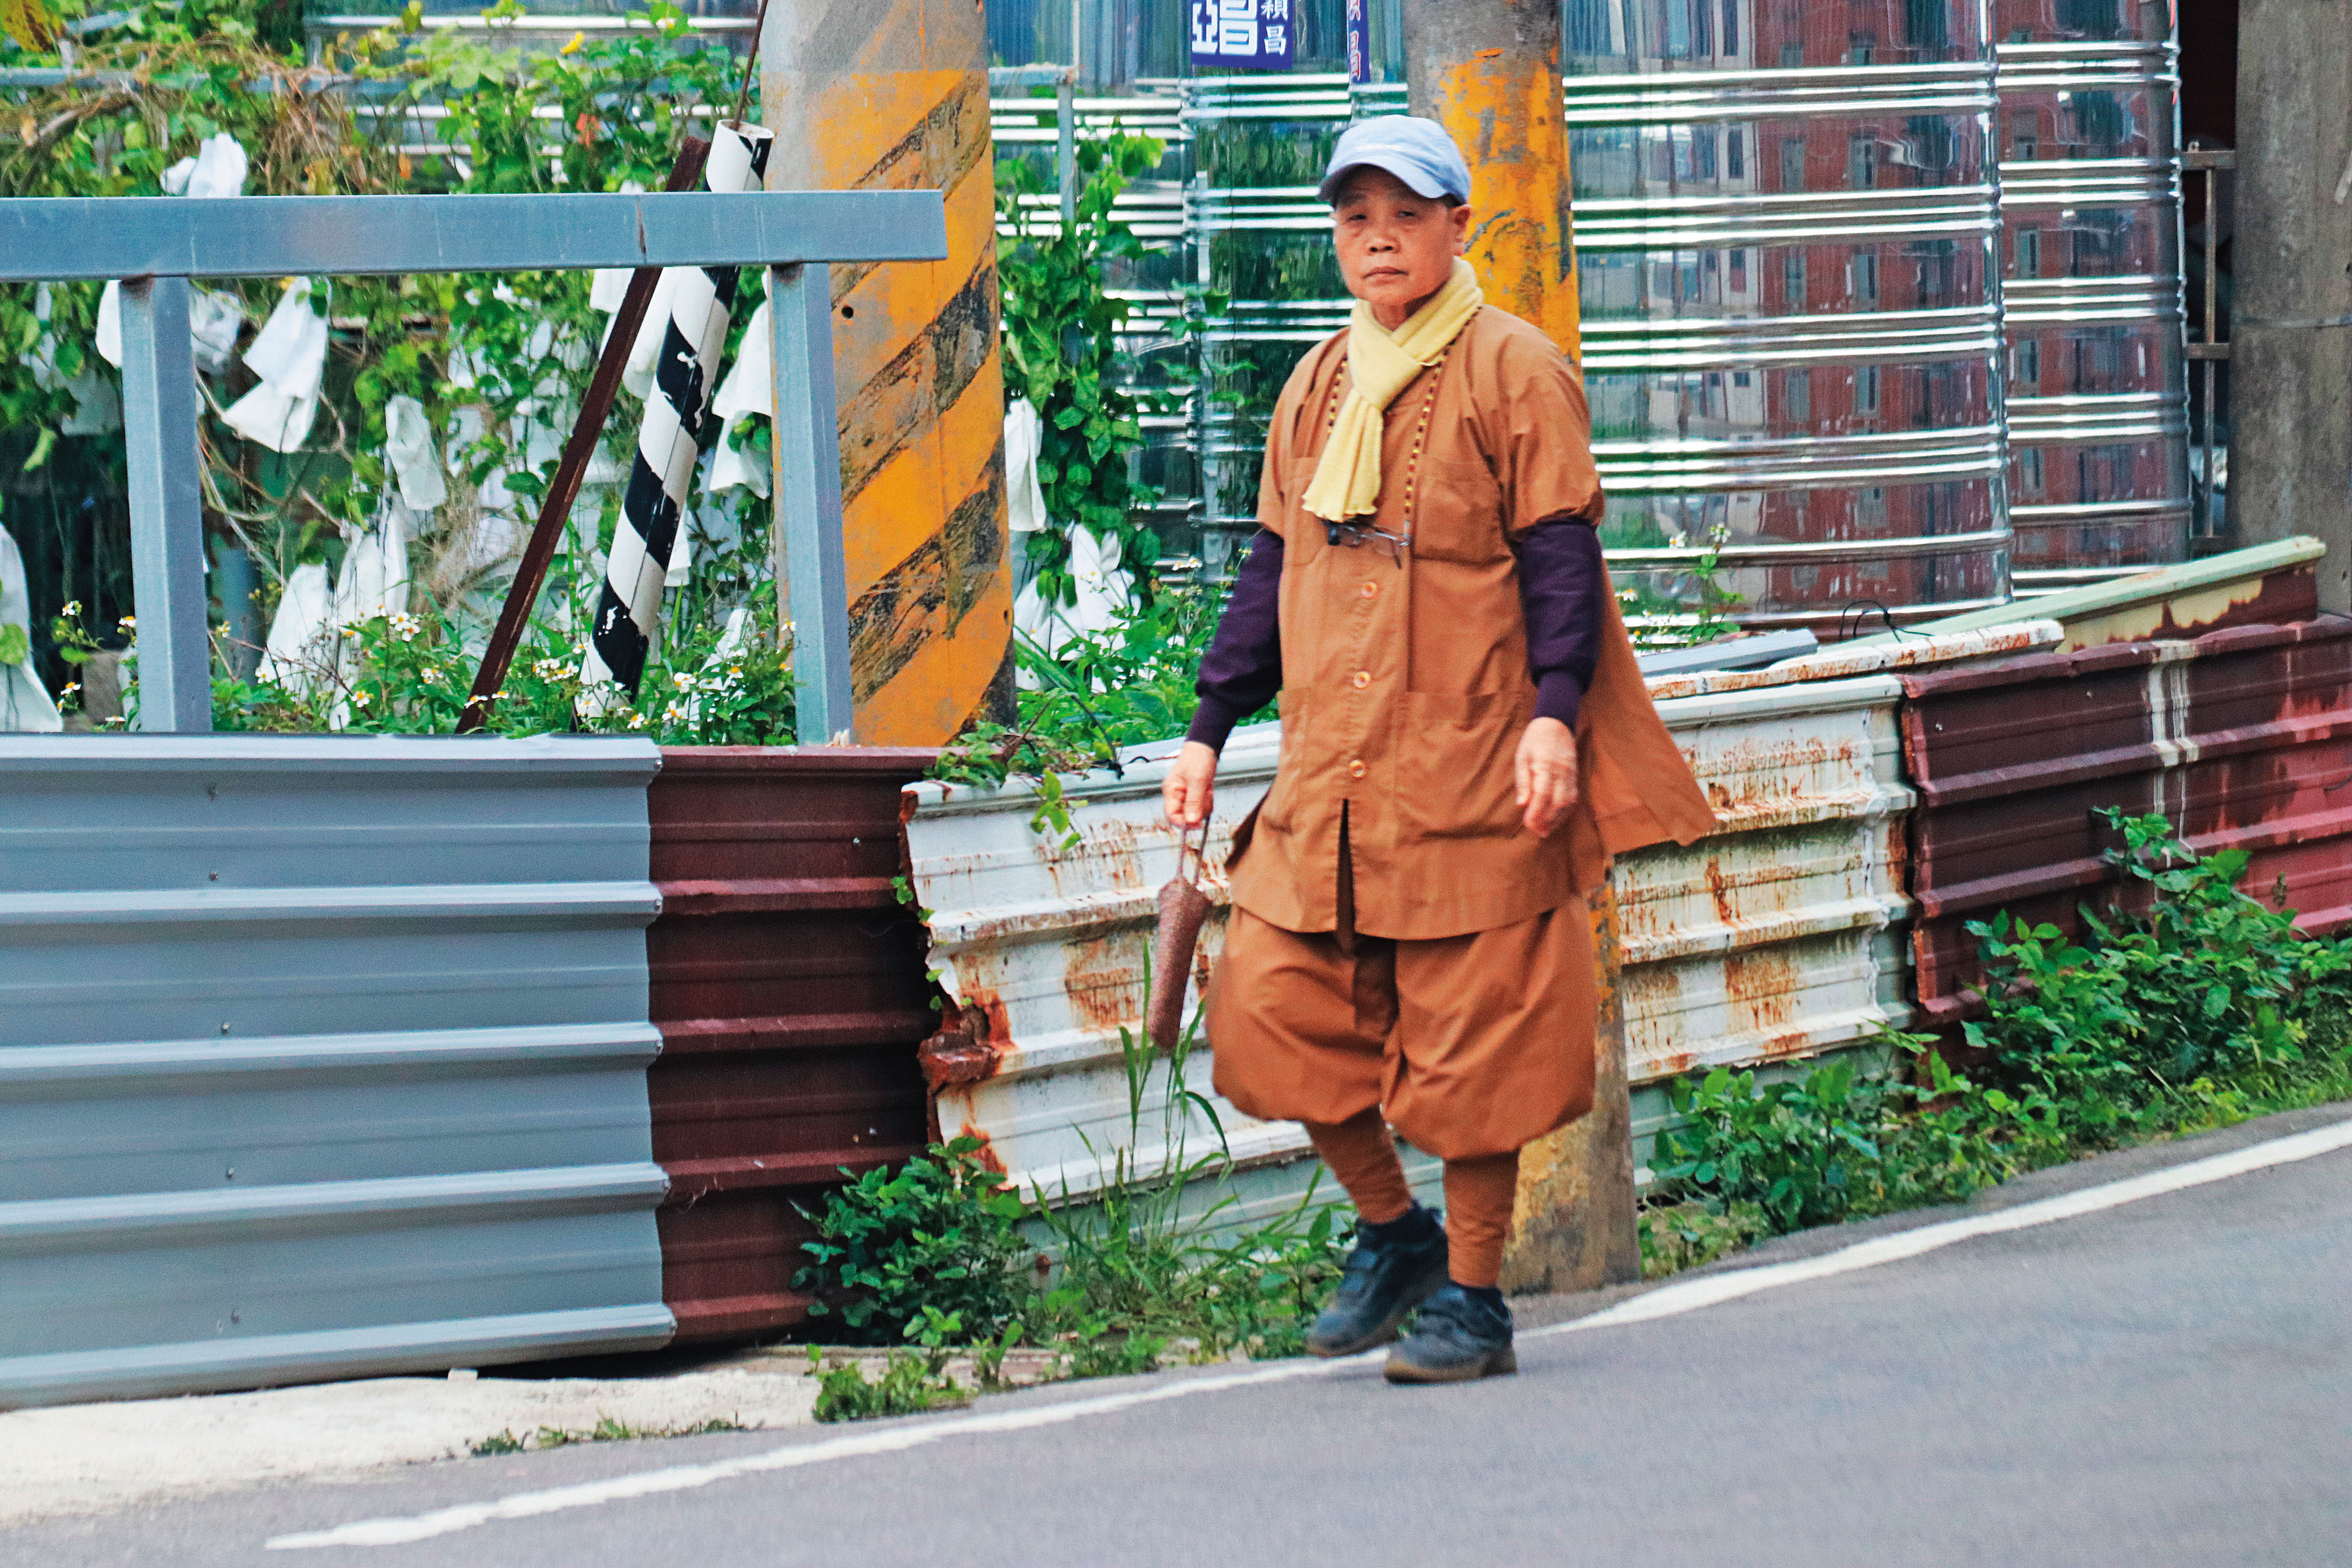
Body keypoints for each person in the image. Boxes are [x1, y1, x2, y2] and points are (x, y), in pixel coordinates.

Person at [1161, 116, 1715, 1384]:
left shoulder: (1516, 370)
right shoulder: (1316, 386)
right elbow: (1271, 569)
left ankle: (1474, 1302)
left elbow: (1564, 562)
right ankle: (1391, 1233)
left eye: (1403, 216)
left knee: (1479, 1044)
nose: (1378, 240)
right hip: (1333, 775)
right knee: (1266, 1009)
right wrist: (1206, 727)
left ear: (1457, 225)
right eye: (1356, 219)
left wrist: (1553, 720)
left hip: (1473, 762)